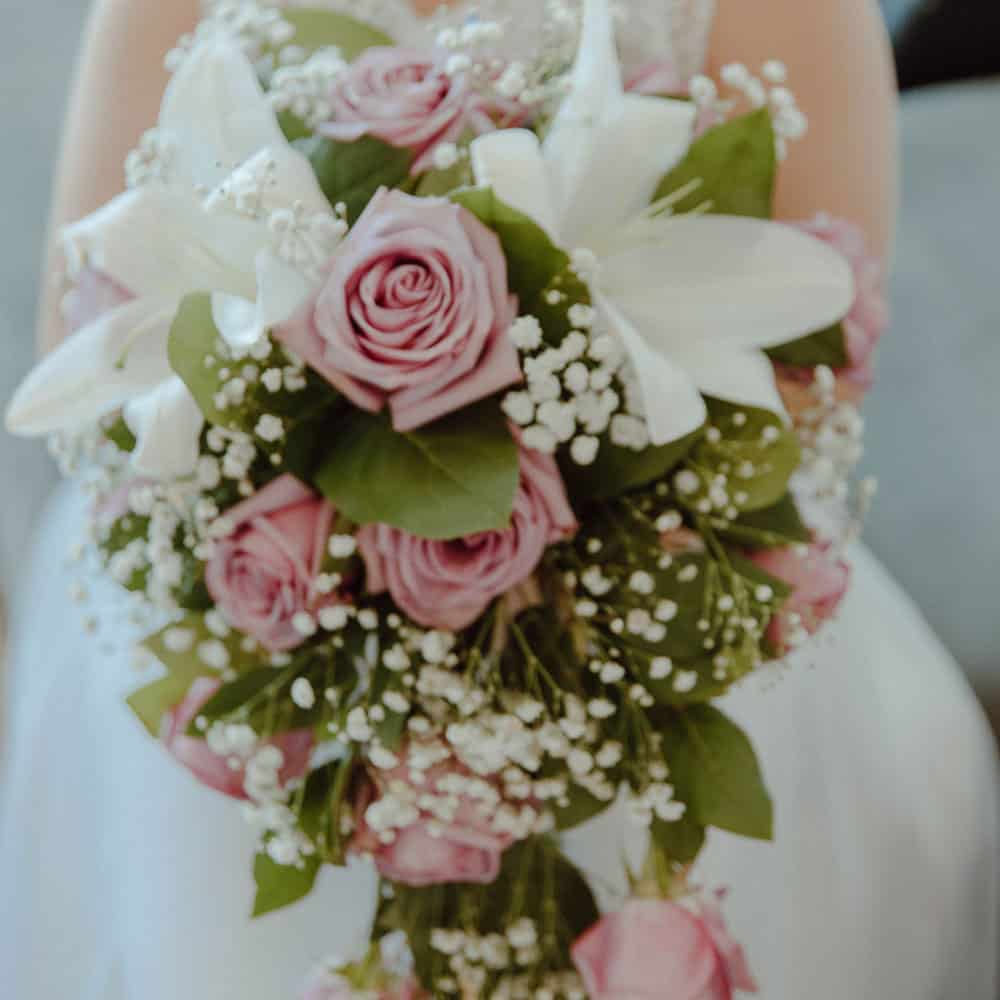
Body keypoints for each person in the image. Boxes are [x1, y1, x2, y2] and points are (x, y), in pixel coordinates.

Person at [1, 1, 995, 997]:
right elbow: (86, 314)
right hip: (251, 593)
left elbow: (809, 362)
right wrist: (334, 538)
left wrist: (530, 568)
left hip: (663, 570)